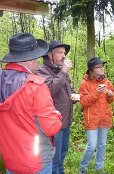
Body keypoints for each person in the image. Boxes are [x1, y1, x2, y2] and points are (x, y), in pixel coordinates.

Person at [0, 33, 62, 174]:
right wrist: (56, 116)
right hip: (36, 162)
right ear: (31, 58)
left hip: (10, 158)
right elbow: (51, 128)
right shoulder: (36, 86)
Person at [36, 40, 77, 174]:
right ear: (49, 55)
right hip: (53, 124)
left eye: (64, 53)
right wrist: (63, 71)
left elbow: (68, 88)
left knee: (62, 154)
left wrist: (73, 95)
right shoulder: (41, 71)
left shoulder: (60, 70)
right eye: (59, 52)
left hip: (65, 122)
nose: (64, 56)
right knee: (54, 158)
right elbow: (49, 90)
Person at [78, 57, 114, 174]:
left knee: (102, 145)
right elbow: (83, 102)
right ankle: (83, 169)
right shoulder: (85, 83)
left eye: (102, 66)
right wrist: (96, 93)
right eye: (98, 67)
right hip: (92, 118)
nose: (101, 68)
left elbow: (110, 100)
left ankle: (99, 168)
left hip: (104, 118)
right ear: (91, 70)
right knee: (91, 146)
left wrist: (109, 95)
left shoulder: (107, 82)